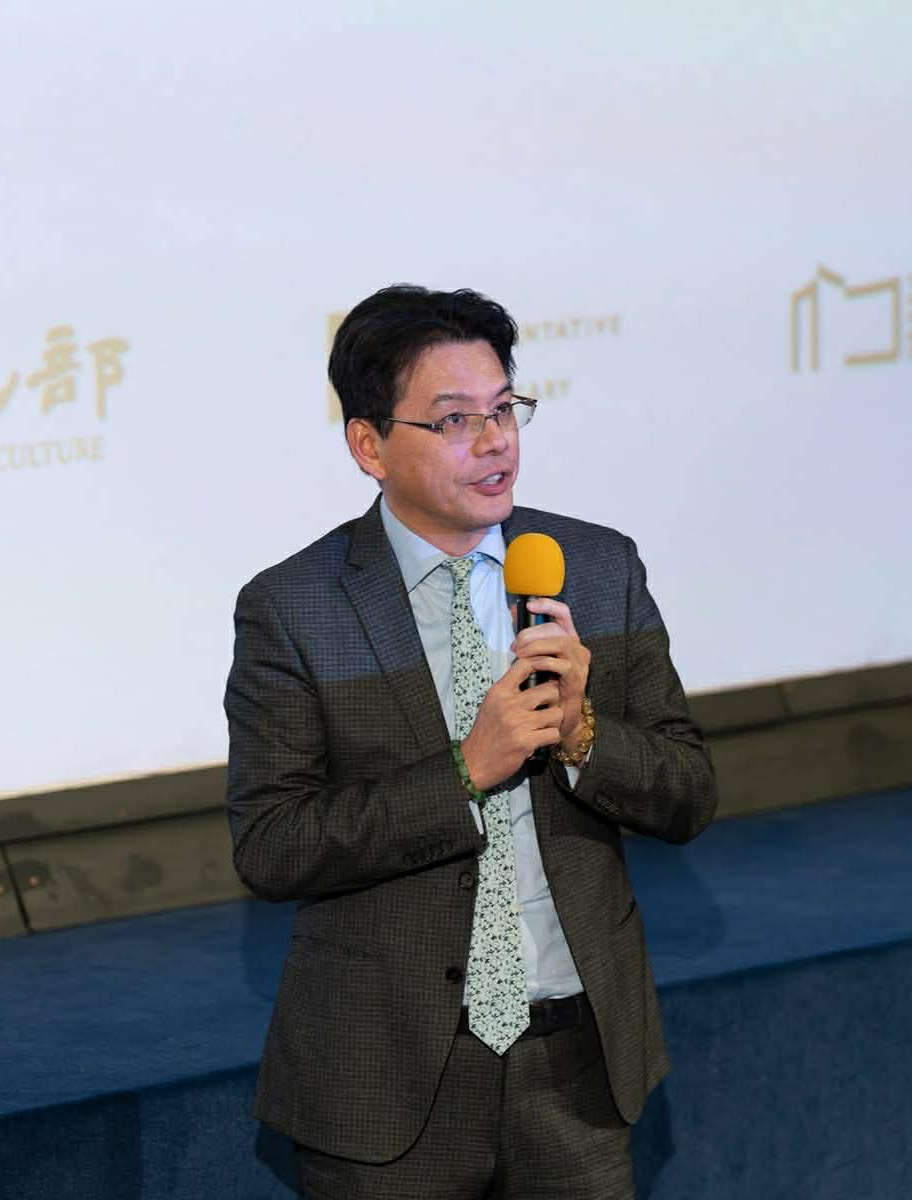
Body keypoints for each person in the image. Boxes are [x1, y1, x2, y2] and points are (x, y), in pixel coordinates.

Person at [225, 285, 716, 1198]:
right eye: (455, 420)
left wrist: (582, 735)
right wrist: (464, 772)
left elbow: (689, 792)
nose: (495, 443)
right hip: (389, 1077)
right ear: (369, 445)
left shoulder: (596, 568)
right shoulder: (295, 609)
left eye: (504, 410)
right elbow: (274, 844)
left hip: (577, 1066)